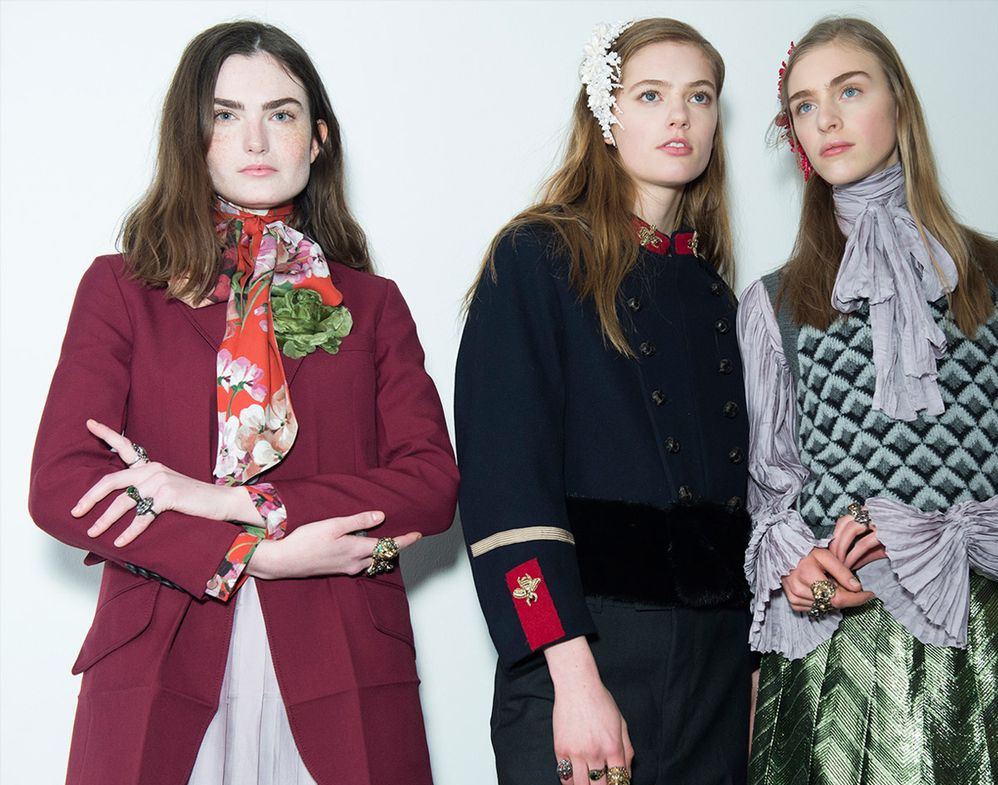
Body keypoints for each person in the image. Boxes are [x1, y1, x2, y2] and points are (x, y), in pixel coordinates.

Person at [28, 21, 459, 785]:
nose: (255, 138)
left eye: (282, 113)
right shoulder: (121, 290)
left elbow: (430, 482)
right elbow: (63, 486)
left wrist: (240, 503)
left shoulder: (374, 303)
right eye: (226, 114)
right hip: (163, 647)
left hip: (345, 654)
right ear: (191, 138)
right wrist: (254, 553)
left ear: (318, 137)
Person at [740, 16, 998, 785]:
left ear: (900, 106)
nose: (828, 119)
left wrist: (954, 533)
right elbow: (768, 488)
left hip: (980, 635)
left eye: (850, 89)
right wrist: (797, 562)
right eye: (805, 104)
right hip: (836, 656)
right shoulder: (773, 302)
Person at [455, 17, 751, 785]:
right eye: (651, 94)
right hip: (585, 651)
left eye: (700, 96)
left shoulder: (718, 292)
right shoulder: (535, 258)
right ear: (606, 114)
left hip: (715, 674)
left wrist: (749, 675)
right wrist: (573, 676)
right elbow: (504, 483)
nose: (679, 116)